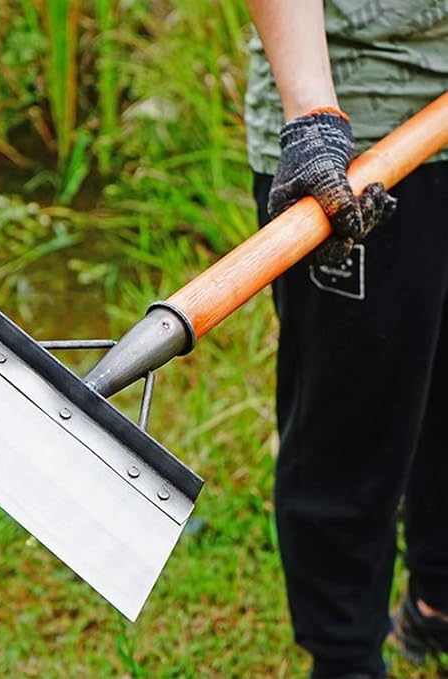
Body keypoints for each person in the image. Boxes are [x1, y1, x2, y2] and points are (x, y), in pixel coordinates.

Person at [243, 2, 448, 677]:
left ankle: (437, 602)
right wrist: (311, 118)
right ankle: (344, 658)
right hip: (357, 130)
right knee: (351, 423)